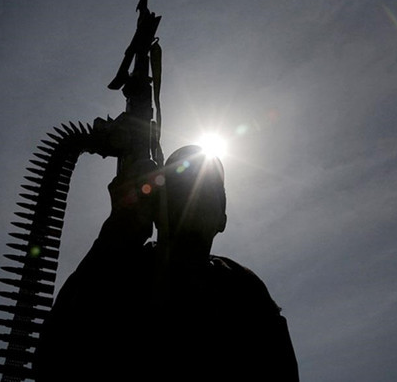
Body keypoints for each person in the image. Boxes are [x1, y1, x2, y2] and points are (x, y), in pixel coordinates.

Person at [35, 145, 298, 381]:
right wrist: (121, 228)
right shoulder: (121, 271)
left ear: (222, 219)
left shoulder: (243, 289)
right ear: (158, 206)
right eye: (181, 187)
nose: (194, 195)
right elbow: (52, 357)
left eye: (207, 190)